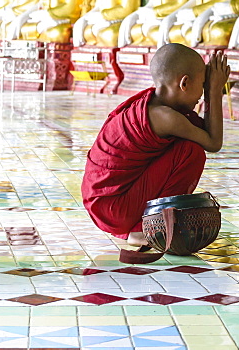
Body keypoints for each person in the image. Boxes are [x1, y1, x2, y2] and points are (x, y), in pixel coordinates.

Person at [82, 44, 230, 246]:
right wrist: (214, 91)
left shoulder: (155, 104)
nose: (201, 95)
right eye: (202, 85)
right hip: (113, 207)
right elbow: (213, 142)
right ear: (184, 83)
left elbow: (205, 131)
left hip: (105, 204)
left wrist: (211, 89)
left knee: (184, 145)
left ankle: (134, 230)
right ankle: (147, 229)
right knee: (191, 152)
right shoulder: (166, 117)